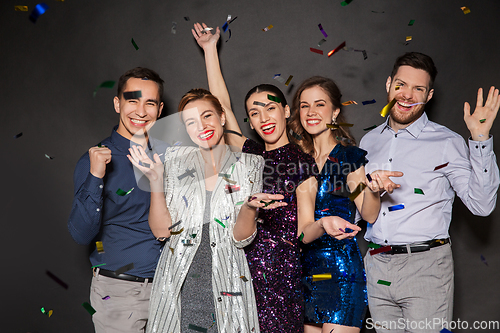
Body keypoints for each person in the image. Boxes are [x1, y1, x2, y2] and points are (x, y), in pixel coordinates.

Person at [191, 22, 360, 333]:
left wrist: (323, 224)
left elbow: (303, 232)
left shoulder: (302, 163)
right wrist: (210, 50)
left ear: (285, 111)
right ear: (251, 122)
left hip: (282, 279)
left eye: (270, 108)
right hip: (241, 269)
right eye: (255, 113)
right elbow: (222, 108)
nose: (264, 117)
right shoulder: (251, 153)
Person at [360, 52, 500, 333]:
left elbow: (481, 205)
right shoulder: (368, 141)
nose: (407, 95)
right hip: (376, 266)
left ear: (429, 95)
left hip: (426, 266)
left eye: (419, 89)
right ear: (389, 84)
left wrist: (481, 139)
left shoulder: (447, 141)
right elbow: (362, 208)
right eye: (401, 85)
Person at [128, 88, 285, 333]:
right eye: (191, 121)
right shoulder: (174, 159)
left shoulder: (250, 164)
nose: (201, 126)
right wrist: (156, 182)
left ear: (222, 117)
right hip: (179, 284)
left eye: (207, 116)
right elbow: (161, 231)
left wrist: (249, 207)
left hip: (228, 283)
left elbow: (241, 238)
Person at [288, 76, 403, 333]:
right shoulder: (299, 161)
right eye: (304, 106)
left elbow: (369, 213)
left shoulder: (349, 157)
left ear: (335, 111)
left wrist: (373, 189)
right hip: (308, 273)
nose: (311, 112)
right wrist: (322, 223)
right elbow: (304, 234)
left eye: (320, 104)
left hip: (342, 272)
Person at [68, 67, 166, 333]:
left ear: (159, 109)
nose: (141, 111)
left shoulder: (171, 156)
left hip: (170, 291)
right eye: (132, 100)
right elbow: (81, 233)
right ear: (117, 103)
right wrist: (96, 176)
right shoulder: (94, 160)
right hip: (118, 293)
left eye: (150, 103)